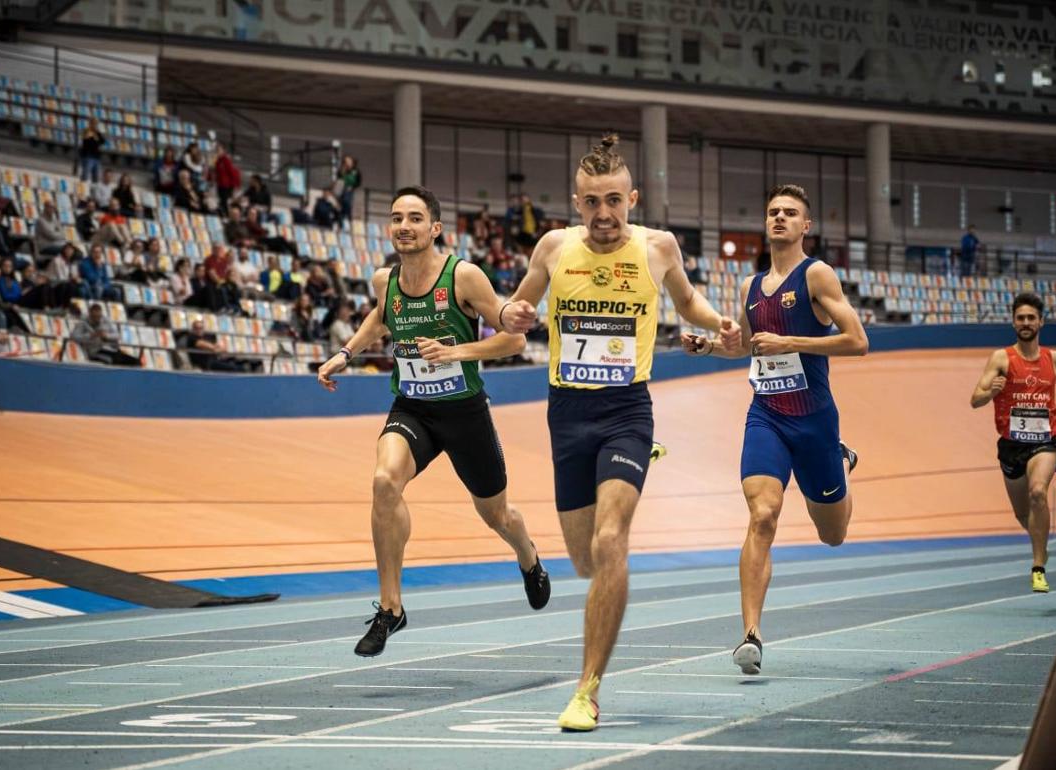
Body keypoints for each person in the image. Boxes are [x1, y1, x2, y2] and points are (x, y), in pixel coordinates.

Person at [499, 134, 741, 731]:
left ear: (632, 198)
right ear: (575, 202)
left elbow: (687, 304)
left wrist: (720, 322)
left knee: (611, 543)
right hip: (568, 415)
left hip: (627, 412)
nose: (603, 214)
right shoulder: (553, 247)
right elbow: (513, 311)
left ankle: (586, 690)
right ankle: (622, 474)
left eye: (613, 201)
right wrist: (516, 314)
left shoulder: (657, 247)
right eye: (591, 202)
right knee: (584, 560)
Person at [317, 185, 550, 658]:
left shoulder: (463, 276)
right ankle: (391, 608)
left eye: (415, 218)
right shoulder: (386, 280)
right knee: (384, 481)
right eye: (397, 218)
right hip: (413, 408)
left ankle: (528, 557)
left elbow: (512, 342)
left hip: (464, 412)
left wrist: (457, 350)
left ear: (435, 228)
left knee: (497, 515)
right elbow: (380, 319)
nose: (404, 226)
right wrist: (346, 352)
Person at [683, 184, 868, 677]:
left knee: (833, 535)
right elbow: (748, 347)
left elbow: (857, 340)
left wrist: (792, 339)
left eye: (790, 213)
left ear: (806, 226)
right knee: (763, 513)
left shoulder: (818, 275)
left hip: (814, 422)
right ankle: (750, 635)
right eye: (773, 212)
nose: (779, 219)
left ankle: (840, 465)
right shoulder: (752, 285)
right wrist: (707, 347)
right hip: (766, 415)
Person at [970, 292, 1056, 593]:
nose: (1026, 322)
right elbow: (975, 400)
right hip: (1011, 445)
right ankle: (1040, 541)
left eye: (1031, 317)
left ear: (1041, 321)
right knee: (1023, 513)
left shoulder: (1055, 359)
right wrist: (992, 391)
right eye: (1021, 317)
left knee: (1037, 493)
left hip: (1046, 440)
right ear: (1013, 322)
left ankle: (1038, 566)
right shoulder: (1001, 358)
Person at [71, 302, 140, 366]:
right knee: (111, 361)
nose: (97, 319)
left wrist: (106, 336)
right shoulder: (82, 323)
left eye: (99, 316)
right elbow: (74, 337)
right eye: (94, 317)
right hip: (95, 352)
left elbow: (117, 335)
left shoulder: (106, 320)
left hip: (111, 349)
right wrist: (91, 335)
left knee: (136, 361)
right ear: (90, 314)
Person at [79, 118, 106, 183]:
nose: (95, 125)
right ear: (90, 123)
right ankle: (82, 188)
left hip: (96, 157)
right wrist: (95, 138)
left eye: (96, 124)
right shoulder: (86, 131)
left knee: (96, 177)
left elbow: (102, 141)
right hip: (88, 156)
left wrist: (98, 133)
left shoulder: (97, 133)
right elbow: (88, 142)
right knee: (85, 175)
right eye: (93, 123)